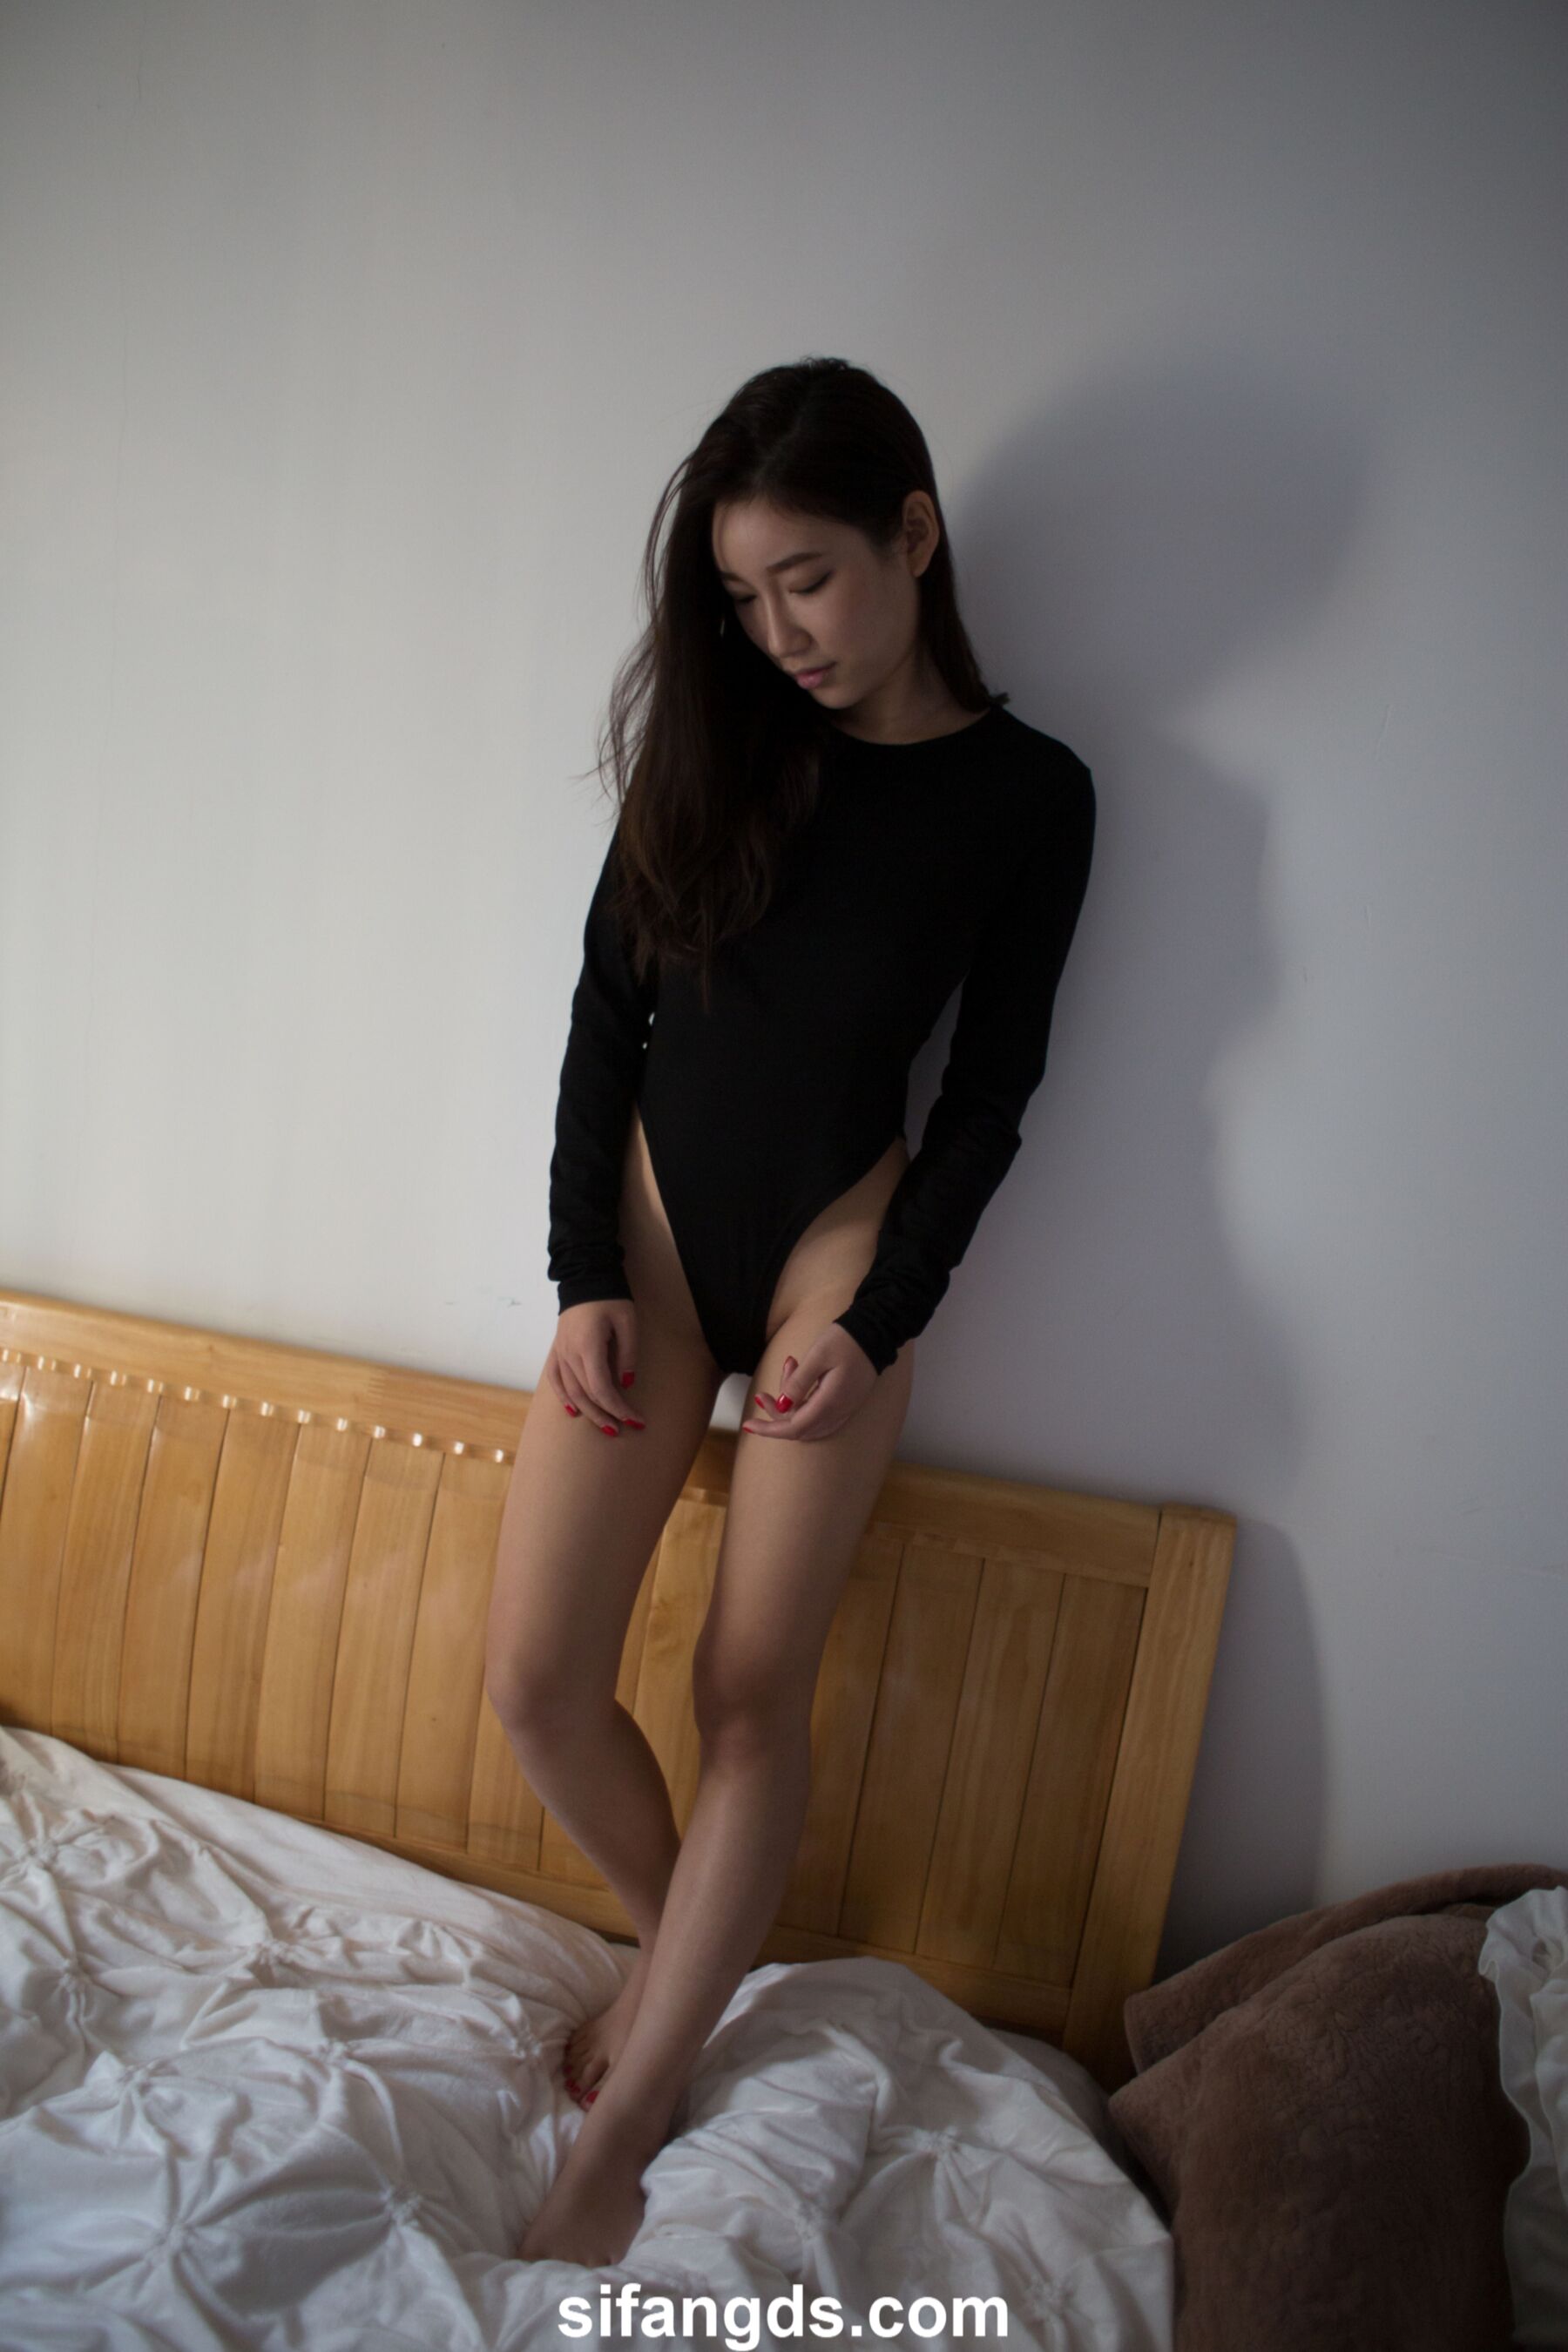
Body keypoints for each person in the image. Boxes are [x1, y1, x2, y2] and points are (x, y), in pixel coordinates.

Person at [483, 356, 1097, 2268]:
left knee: (748, 1697)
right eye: (745, 599)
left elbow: (990, 1097)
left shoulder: (1033, 797)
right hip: (657, 1238)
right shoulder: (726, 736)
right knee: (537, 1684)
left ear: (914, 534)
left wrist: (884, 1315)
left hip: (843, 1249)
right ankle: (690, 1953)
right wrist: (585, 1270)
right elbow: (607, 1014)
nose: (780, 634)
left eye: (808, 580)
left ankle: (631, 2117)